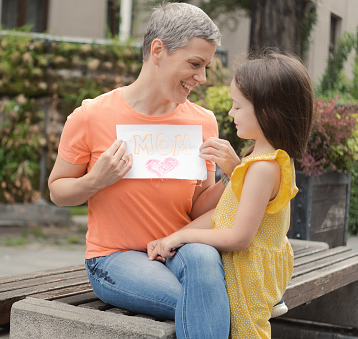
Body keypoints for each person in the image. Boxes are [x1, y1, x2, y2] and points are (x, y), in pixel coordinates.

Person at [48, 3, 241, 338]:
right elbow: (57, 191)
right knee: (205, 302)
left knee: (205, 262)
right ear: (158, 50)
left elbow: (196, 209)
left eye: (206, 66)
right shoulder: (91, 116)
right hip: (115, 258)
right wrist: (95, 181)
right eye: (195, 64)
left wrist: (231, 178)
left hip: (180, 248)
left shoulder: (203, 121)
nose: (203, 78)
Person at [147, 52, 315, 338]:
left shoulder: (263, 167)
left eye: (237, 106)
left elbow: (239, 237)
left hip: (246, 281)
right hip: (246, 274)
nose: (230, 113)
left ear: (266, 110)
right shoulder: (257, 158)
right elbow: (222, 213)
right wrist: (170, 238)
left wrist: (180, 237)